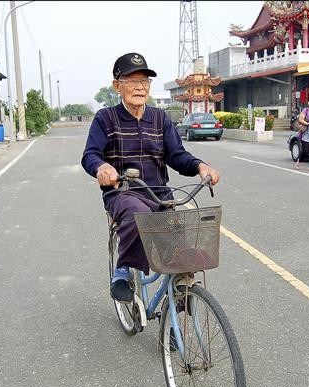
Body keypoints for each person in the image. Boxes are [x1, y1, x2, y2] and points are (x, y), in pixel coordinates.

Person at [81, 52, 220, 303]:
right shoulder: (105, 118)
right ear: (117, 86)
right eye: (132, 81)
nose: (140, 87)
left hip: (158, 193)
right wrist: (102, 167)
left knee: (180, 241)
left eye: (144, 81)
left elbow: (177, 155)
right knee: (137, 213)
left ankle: (176, 311)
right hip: (122, 193)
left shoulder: (159, 118)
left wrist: (200, 166)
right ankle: (122, 271)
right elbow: (90, 155)